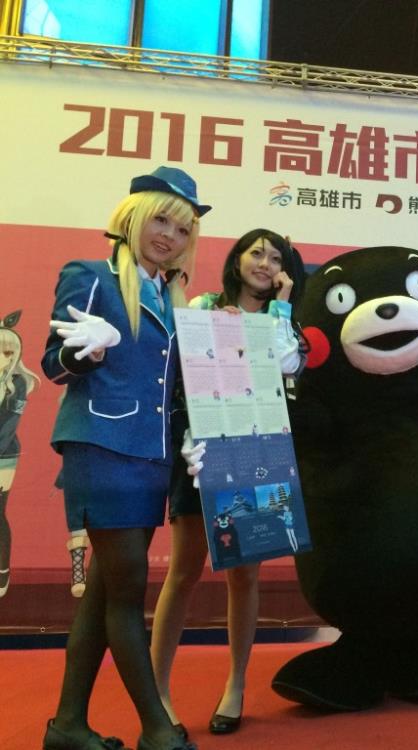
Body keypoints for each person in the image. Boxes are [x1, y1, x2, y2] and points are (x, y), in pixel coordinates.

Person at [41, 166, 207, 750]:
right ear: (133, 218)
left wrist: (188, 436)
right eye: (161, 220)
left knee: (105, 596)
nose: (169, 236)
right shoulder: (90, 277)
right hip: (101, 450)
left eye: (182, 229)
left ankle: (67, 726)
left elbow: (170, 386)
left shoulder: (170, 296)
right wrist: (83, 353)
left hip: (149, 460)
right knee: (128, 593)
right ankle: (158, 729)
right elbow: (53, 365)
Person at [150, 229, 304, 737]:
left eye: (276, 258)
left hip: (257, 452)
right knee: (183, 572)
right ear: (237, 259)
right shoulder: (203, 306)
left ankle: (235, 684)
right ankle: (157, 693)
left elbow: (286, 364)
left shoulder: (284, 321)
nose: (265, 263)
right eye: (256, 252)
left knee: (245, 575)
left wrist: (280, 306)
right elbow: (180, 368)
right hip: (200, 450)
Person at [0, 310, 41, 598]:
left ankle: (2, 571)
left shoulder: (19, 384)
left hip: (3, 457)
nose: (4, 357)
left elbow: (7, 427)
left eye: (9, 352)